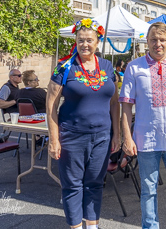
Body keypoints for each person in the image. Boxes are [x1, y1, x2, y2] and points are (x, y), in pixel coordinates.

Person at [119, 22, 166, 229]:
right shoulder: (134, 67)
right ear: (147, 41)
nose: (158, 44)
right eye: (153, 39)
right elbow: (126, 106)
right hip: (146, 140)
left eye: (162, 40)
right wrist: (127, 137)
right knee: (148, 191)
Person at [46, 18, 120, 229]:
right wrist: (54, 139)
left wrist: (117, 134)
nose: (85, 44)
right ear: (75, 41)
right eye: (80, 40)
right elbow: (50, 104)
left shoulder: (107, 66)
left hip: (102, 137)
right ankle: (76, 226)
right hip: (72, 136)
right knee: (72, 186)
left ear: (98, 42)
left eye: (89, 40)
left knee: (95, 183)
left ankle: (93, 226)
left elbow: (114, 103)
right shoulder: (64, 67)